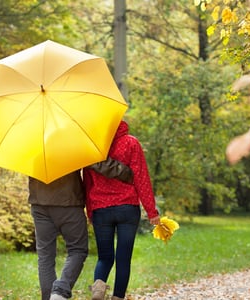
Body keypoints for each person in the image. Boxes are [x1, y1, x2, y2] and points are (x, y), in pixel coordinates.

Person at [29, 158, 133, 300]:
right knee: (77, 249)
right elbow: (95, 161)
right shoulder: (71, 140)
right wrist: (125, 172)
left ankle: (50, 297)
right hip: (68, 203)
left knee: (45, 257)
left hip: (38, 203)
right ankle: (60, 292)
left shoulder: (33, 143)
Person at [83, 120, 161, 300]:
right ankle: (118, 297)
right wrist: (152, 211)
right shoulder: (131, 143)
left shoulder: (92, 150)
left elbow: (87, 183)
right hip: (127, 209)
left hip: (101, 208)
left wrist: (90, 210)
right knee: (123, 259)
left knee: (105, 257)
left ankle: (98, 287)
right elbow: (141, 178)